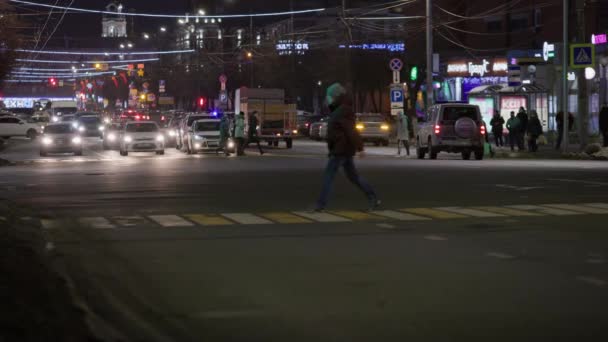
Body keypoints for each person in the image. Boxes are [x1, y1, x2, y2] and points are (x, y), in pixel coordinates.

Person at [315, 83, 379, 212]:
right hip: (342, 150)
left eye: (329, 96)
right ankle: (373, 197)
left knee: (329, 176)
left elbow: (351, 131)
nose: (328, 99)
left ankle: (320, 205)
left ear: (335, 96)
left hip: (340, 151)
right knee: (353, 177)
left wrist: (360, 148)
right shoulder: (339, 109)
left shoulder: (343, 110)